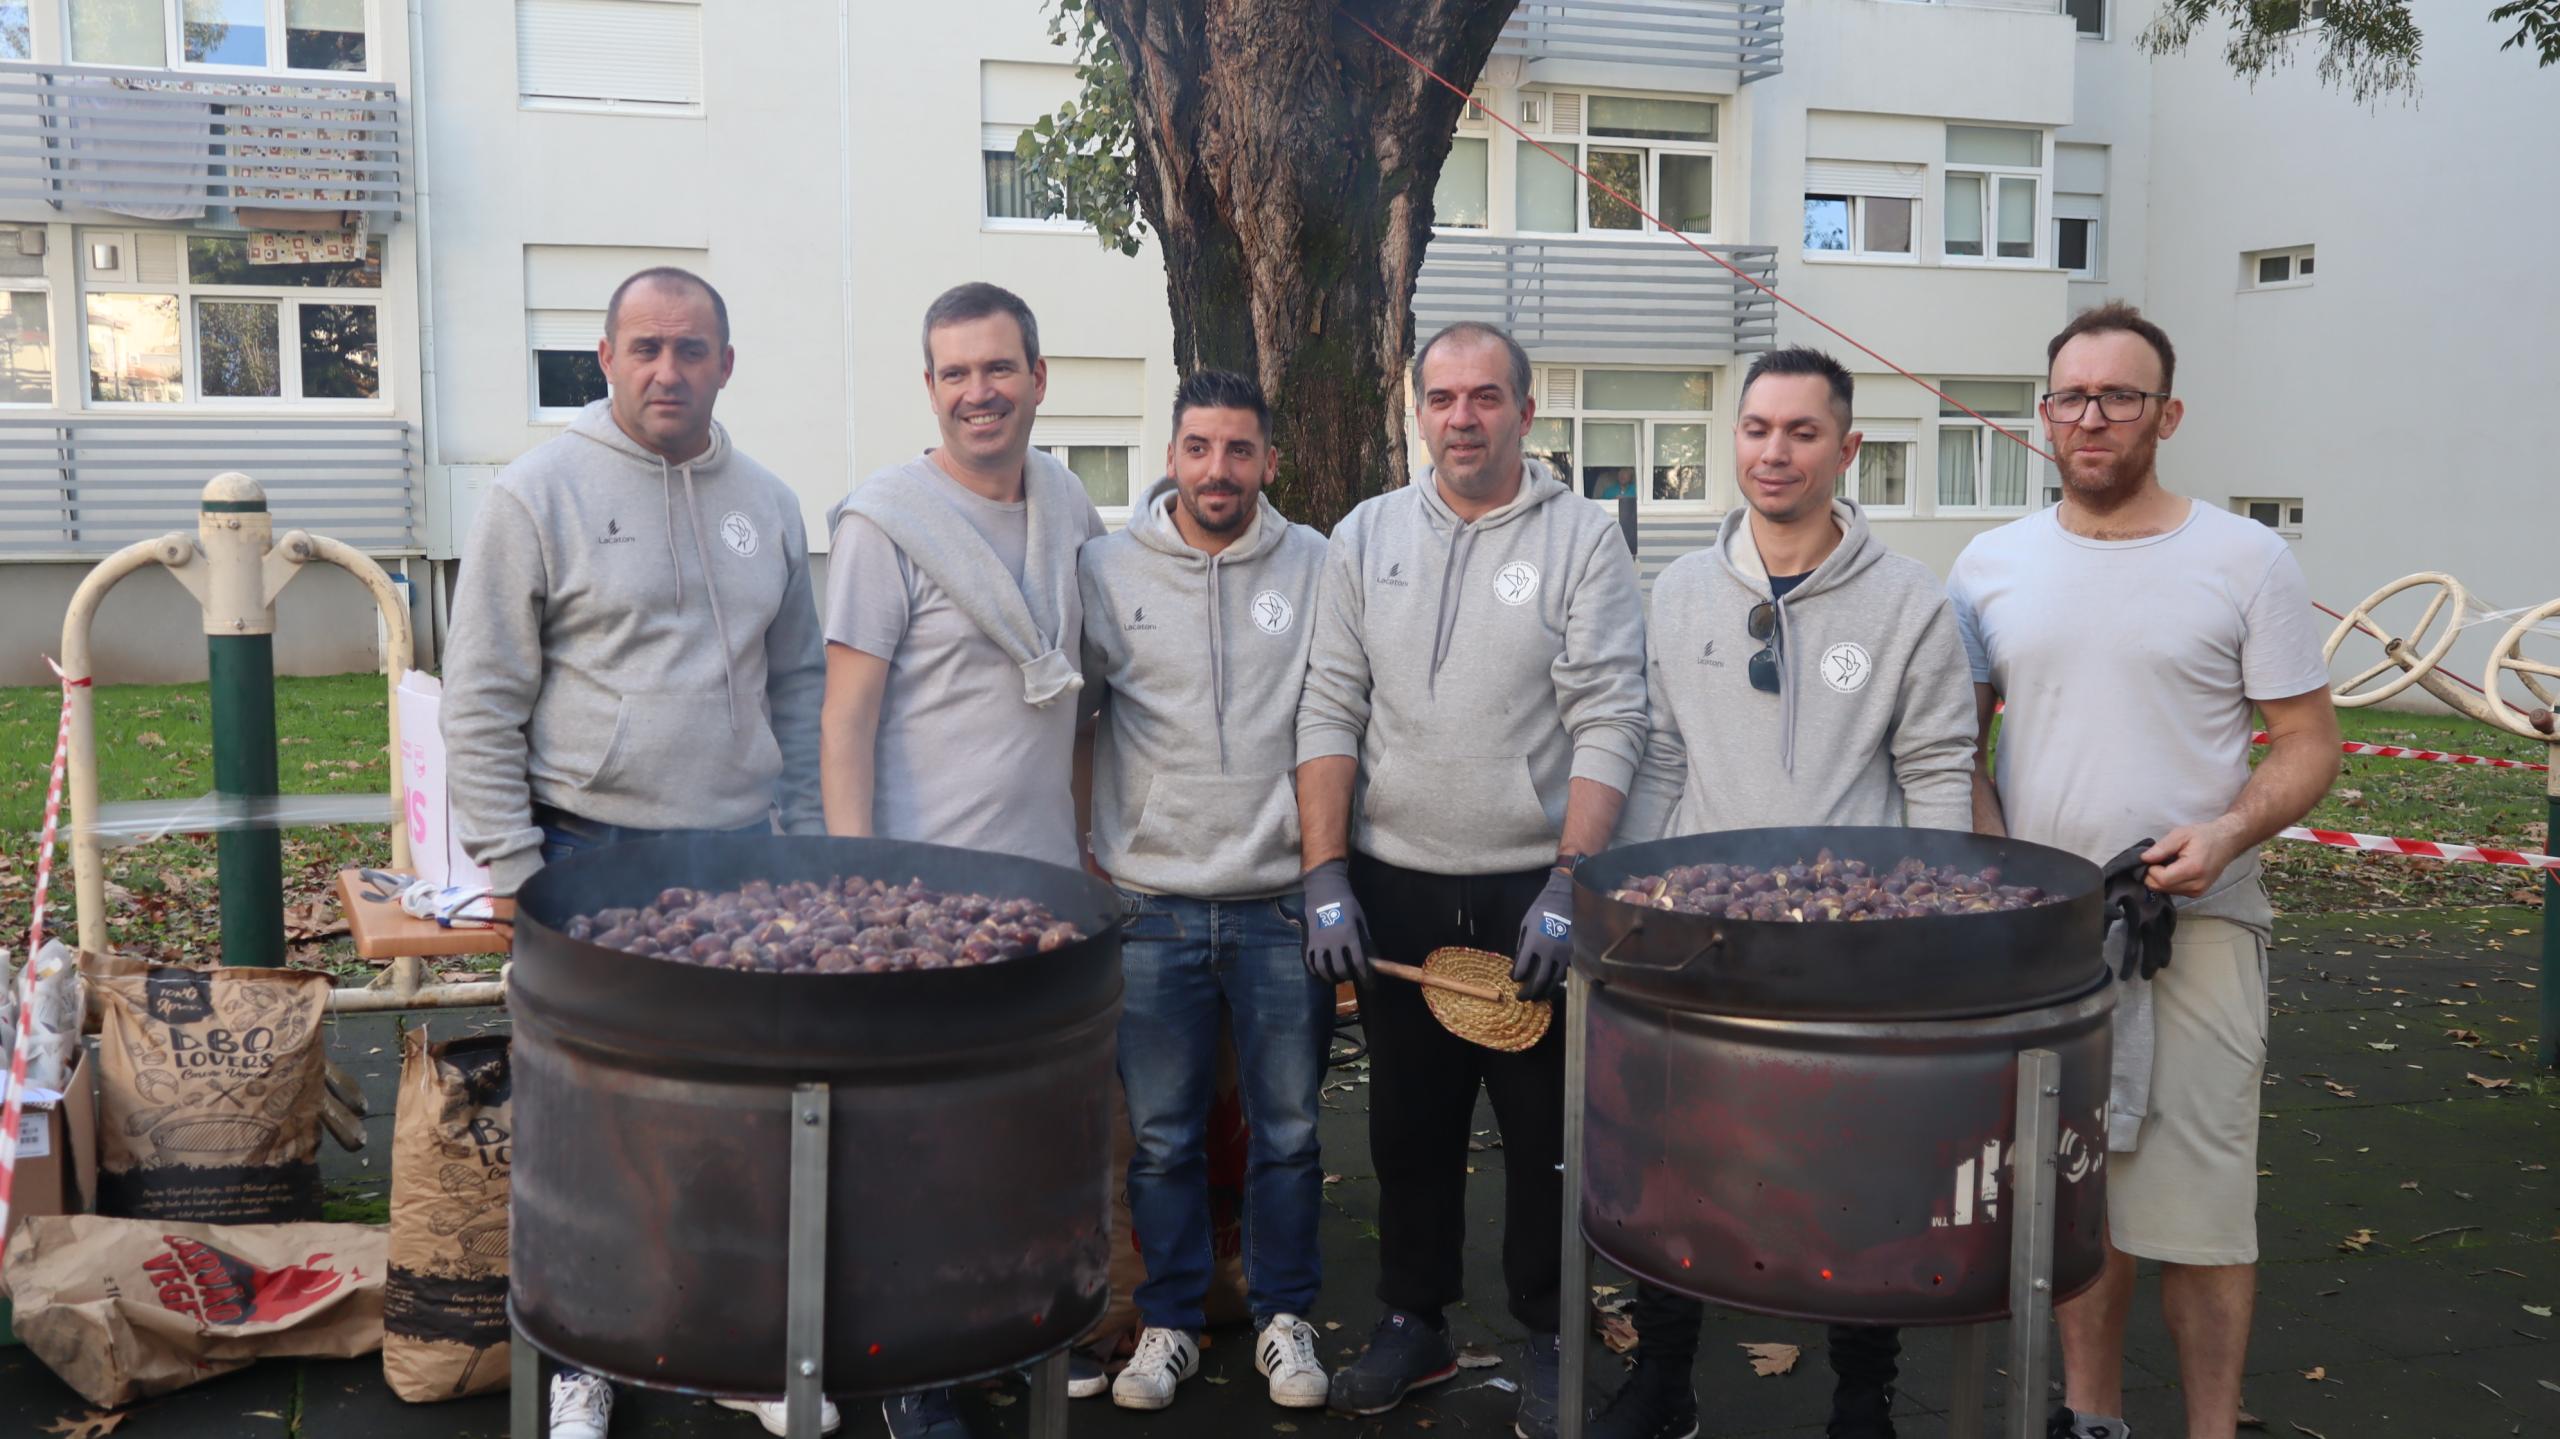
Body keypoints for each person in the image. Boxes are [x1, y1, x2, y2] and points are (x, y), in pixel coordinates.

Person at [441, 267, 835, 1439]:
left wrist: (806, 842)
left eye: (694, 347)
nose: (671, 370)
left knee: (734, 1124)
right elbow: (482, 698)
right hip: (585, 852)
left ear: (727, 361)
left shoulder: (766, 500)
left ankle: (723, 1339)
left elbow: (802, 683)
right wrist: (515, 873)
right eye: (647, 347)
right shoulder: (535, 493)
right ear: (604, 359)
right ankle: (581, 1354)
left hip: (740, 862)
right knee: (586, 1125)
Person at [1948, 302, 2339, 1439]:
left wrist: (2224, 832)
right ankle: (2093, 1418)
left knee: (2206, 1211)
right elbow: (1953, 746)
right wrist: (1997, 859)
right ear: (2042, 414)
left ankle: (2211, 1426)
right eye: (2071, 395)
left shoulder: (2244, 557)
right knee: (2081, 1196)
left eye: (2120, 396)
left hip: (2200, 929)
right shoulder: (1989, 564)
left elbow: (2308, 741)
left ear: (2166, 414)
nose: (2092, 417)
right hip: (2049, 939)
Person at [1599, 347, 1978, 1439]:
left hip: (1853, 949)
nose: (1774, 450)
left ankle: (1862, 1394)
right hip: (1699, 945)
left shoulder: (1909, 602)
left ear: (1845, 447)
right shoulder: (1676, 591)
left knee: (1858, 1172)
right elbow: (1661, 759)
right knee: (1680, 1162)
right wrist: (1630, 901)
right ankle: (1663, 1375)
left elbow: (1938, 769)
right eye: (1756, 427)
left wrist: (1929, 927)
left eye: (1801, 431)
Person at [1296, 320, 1649, 1439]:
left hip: (1526, 891)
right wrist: (1323, 870)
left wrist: (1570, 876)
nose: (1461, 417)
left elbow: (1610, 711)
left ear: (1525, 413)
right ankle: (1415, 1318)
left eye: (1485, 397)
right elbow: (1328, 703)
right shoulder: (1364, 534)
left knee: (1545, 1129)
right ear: (1419, 410)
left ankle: (1550, 1328)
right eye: (1441, 397)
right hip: (1394, 884)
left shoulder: (1584, 539)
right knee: (1407, 1126)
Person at [819, 281, 1107, 1439]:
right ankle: (913, 1374)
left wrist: (1084, 848)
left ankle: (1002, 1333)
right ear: (929, 389)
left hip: (1040, 888)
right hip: (919, 896)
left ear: (1039, 378)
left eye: (998, 368)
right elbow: (844, 718)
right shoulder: (882, 523)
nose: (978, 392)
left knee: (1016, 1138)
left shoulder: (1070, 506)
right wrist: (858, 889)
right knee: (916, 1150)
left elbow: (1079, 708)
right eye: (954, 373)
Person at [1076, 369, 1333, 1414]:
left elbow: (1335, 717)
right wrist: (1083, 853)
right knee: (1165, 1135)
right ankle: (1171, 1320)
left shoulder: (1316, 563)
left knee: (1291, 1128)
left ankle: (1282, 1315)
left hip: (1279, 900)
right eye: (1198, 447)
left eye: (1238, 449)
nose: (1217, 469)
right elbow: (1079, 718)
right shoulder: (1104, 567)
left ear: (1267, 460)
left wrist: (1327, 872)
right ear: (1170, 454)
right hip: (1151, 901)